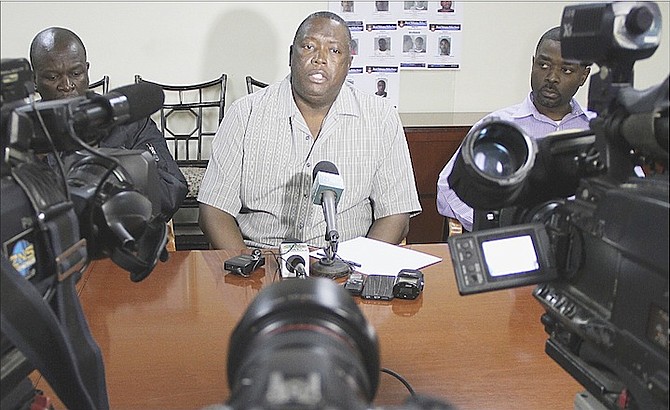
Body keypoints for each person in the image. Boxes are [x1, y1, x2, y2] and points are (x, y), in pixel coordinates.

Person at [198, 11, 421, 251]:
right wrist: (247, 268)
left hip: (346, 264)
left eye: (334, 51)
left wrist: (359, 269)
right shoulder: (245, 114)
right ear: (291, 55)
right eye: (309, 46)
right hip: (261, 261)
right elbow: (214, 210)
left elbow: (396, 215)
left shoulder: (381, 118)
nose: (320, 58)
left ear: (348, 64)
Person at [437, 27, 593, 232]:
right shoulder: (498, 127)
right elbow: (447, 187)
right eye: (543, 65)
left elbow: (629, 193)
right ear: (533, 64)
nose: (552, 77)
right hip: (515, 242)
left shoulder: (597, 131)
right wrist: (494, 224)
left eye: (566, 70)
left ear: (583, 76)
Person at [29, 27, 188, 222]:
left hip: (119, 235)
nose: (67, 85)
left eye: (76, 73)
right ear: (34, 80)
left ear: (87, 70)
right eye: (53, 77)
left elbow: (171, 188)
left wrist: (109, 178)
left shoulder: (128, 120)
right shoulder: (22, 129)